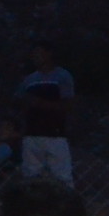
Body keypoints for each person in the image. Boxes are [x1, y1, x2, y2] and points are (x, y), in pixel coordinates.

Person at [16, 45, 76, 184]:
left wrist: (40, 103)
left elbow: (68, 104)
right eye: (34, 54)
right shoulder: (29, 79)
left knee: (62, 175)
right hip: (32, 132)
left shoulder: (62, 76)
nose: (36, 57)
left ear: (49, 54)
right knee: (31, 175)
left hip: (55, 133)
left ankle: (66, 203)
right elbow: (18, 100)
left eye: (39, 53)